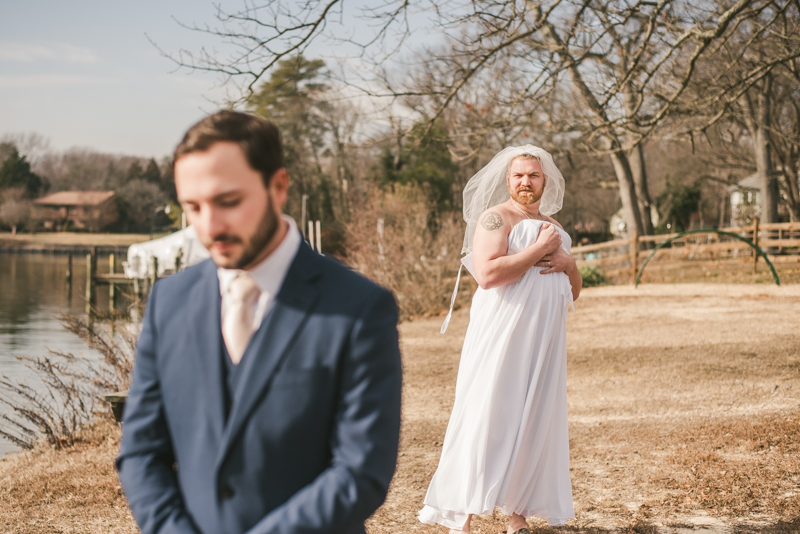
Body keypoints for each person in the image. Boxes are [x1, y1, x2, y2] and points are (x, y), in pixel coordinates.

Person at [117, 111, 403, 534]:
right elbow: (141, 452)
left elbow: (361, 471)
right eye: (192, 207)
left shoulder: (360, 308)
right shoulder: (169, 301)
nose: (209, 226)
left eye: (228, 201)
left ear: (279, 187)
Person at [419, 145, 582, 534]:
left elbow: (572, 291)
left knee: (532, 419)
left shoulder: (555, 227)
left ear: (546, 181)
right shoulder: (496, 218)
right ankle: (462, 518)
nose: (526, 181)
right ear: (508, 180)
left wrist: (569, 263)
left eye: (534, 175)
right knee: (488, 414)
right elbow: (488, 275)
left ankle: (517, 517)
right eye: (519, 175)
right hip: (502, 334)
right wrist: (539, 249)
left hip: (543, 340)